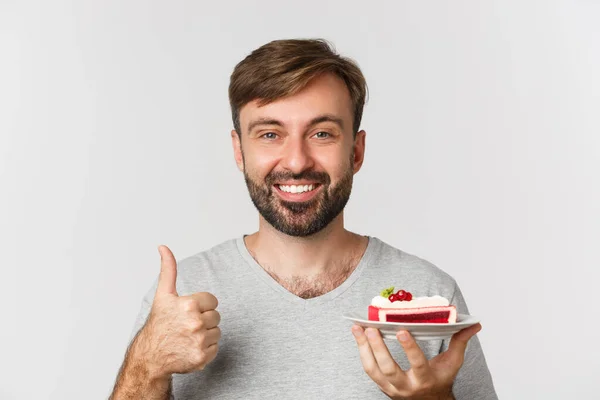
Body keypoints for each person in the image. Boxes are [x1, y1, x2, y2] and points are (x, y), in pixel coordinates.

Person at [109, 38, 497, 400]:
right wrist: (148, 365)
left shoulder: (429, 294)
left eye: (322, 133)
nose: (296, 161)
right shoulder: (181, 297)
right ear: (239, 151)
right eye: (269, 134)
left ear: (356, 152)